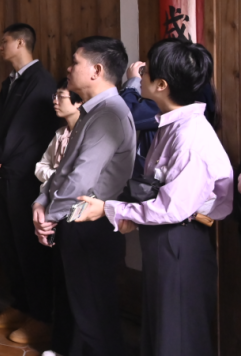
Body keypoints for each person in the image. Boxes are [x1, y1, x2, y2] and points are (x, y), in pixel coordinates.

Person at [76, 39, 233, 356]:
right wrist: (132, 216)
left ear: (161, 85)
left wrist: (109, 209)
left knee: (177, 337)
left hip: (180, 241)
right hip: (167, 236)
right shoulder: (172, 125)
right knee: (162, 330)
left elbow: (170, 207)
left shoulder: (191, 137)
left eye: (146, 70)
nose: (140, 73)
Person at [33, 36, 135, 356]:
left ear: (97, 70)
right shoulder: (94, 111)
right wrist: (41, 202)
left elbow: (80, 181)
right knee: (74, 302)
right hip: (74, 217)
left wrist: (49, 216)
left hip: (91, 222)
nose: (68, 68)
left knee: (94, 313)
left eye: (75, 62)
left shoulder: (109, 114)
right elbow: (65, 168)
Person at [0, 23, 59, 344]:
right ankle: (20, 304)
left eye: (5, 41)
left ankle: (40, 315)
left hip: (24, 178)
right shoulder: (11, 81)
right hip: (2, 173)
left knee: (29, 248)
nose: (1, 47)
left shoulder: (41, 81)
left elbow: (26, 134)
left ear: (22, 43)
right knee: (9, 246)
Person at [33, 79, 83, 356]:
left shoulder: (86, 133)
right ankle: (61, 345)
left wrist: (55, 176)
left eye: (61, 96)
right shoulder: (61, 134)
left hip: (78, 212)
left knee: (77, 285)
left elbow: (78, 179)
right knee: (60, 281)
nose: (55, 100)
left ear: (78, 101)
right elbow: (41, 166)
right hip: (54, 208)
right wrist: (57, 175)